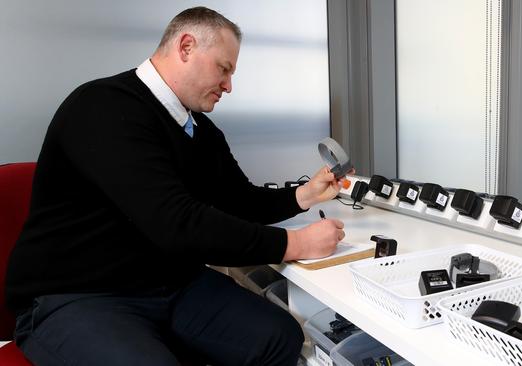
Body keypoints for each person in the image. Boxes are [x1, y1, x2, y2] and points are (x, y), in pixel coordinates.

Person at [5, 6, 347, 366]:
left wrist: (304, 195)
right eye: (224, 68)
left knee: (280, 337)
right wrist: (293, 244)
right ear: (186, 47)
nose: (229, 85)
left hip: (170, 286)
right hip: (78, 295)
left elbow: (237, 199)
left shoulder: (198, 129)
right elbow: (176, 223)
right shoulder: (102, 107)